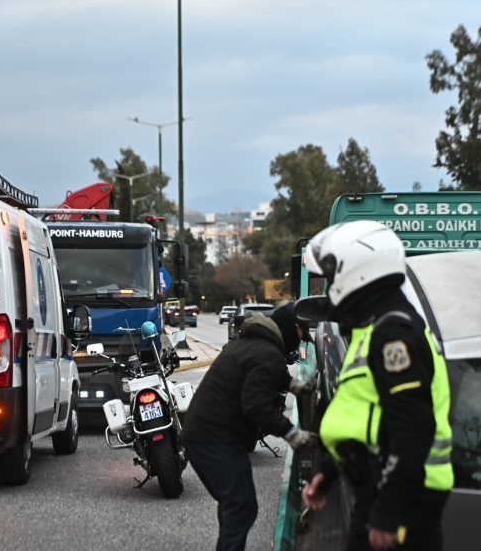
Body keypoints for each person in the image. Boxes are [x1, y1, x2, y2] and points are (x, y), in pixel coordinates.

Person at [300, 221, 453, 551]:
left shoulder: (393, 333)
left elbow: (413, 425)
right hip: (385, 487)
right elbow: (365, 415)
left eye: (331, 277)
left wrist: (388, 512)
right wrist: (328, 473)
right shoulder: (373, 329)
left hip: (403, 495)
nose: (329, 288)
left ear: (356, 271)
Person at [182, 302, 316, 551]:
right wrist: (291, 433)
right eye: (301, 334)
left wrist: (291, 384)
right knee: (240, 506)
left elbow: (262, 371)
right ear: (291, 327)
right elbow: (255, 406)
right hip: (212, 439)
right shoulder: (267, 352)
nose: (300, 342)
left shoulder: (255, 343)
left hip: (207, 434)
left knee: (236, 505)